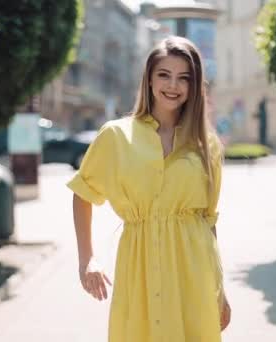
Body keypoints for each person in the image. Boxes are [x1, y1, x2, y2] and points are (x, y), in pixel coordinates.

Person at [67, 36, 231, 341]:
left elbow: (208, 222)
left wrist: (220, 290)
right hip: (140, 267)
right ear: (149, 79)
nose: (174, 86)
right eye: (164, 75)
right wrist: (87, 259)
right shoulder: (116, 136)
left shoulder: (206, 144)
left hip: (194, 272)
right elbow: (83, 193)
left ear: (195, 86)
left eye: (184, 78)